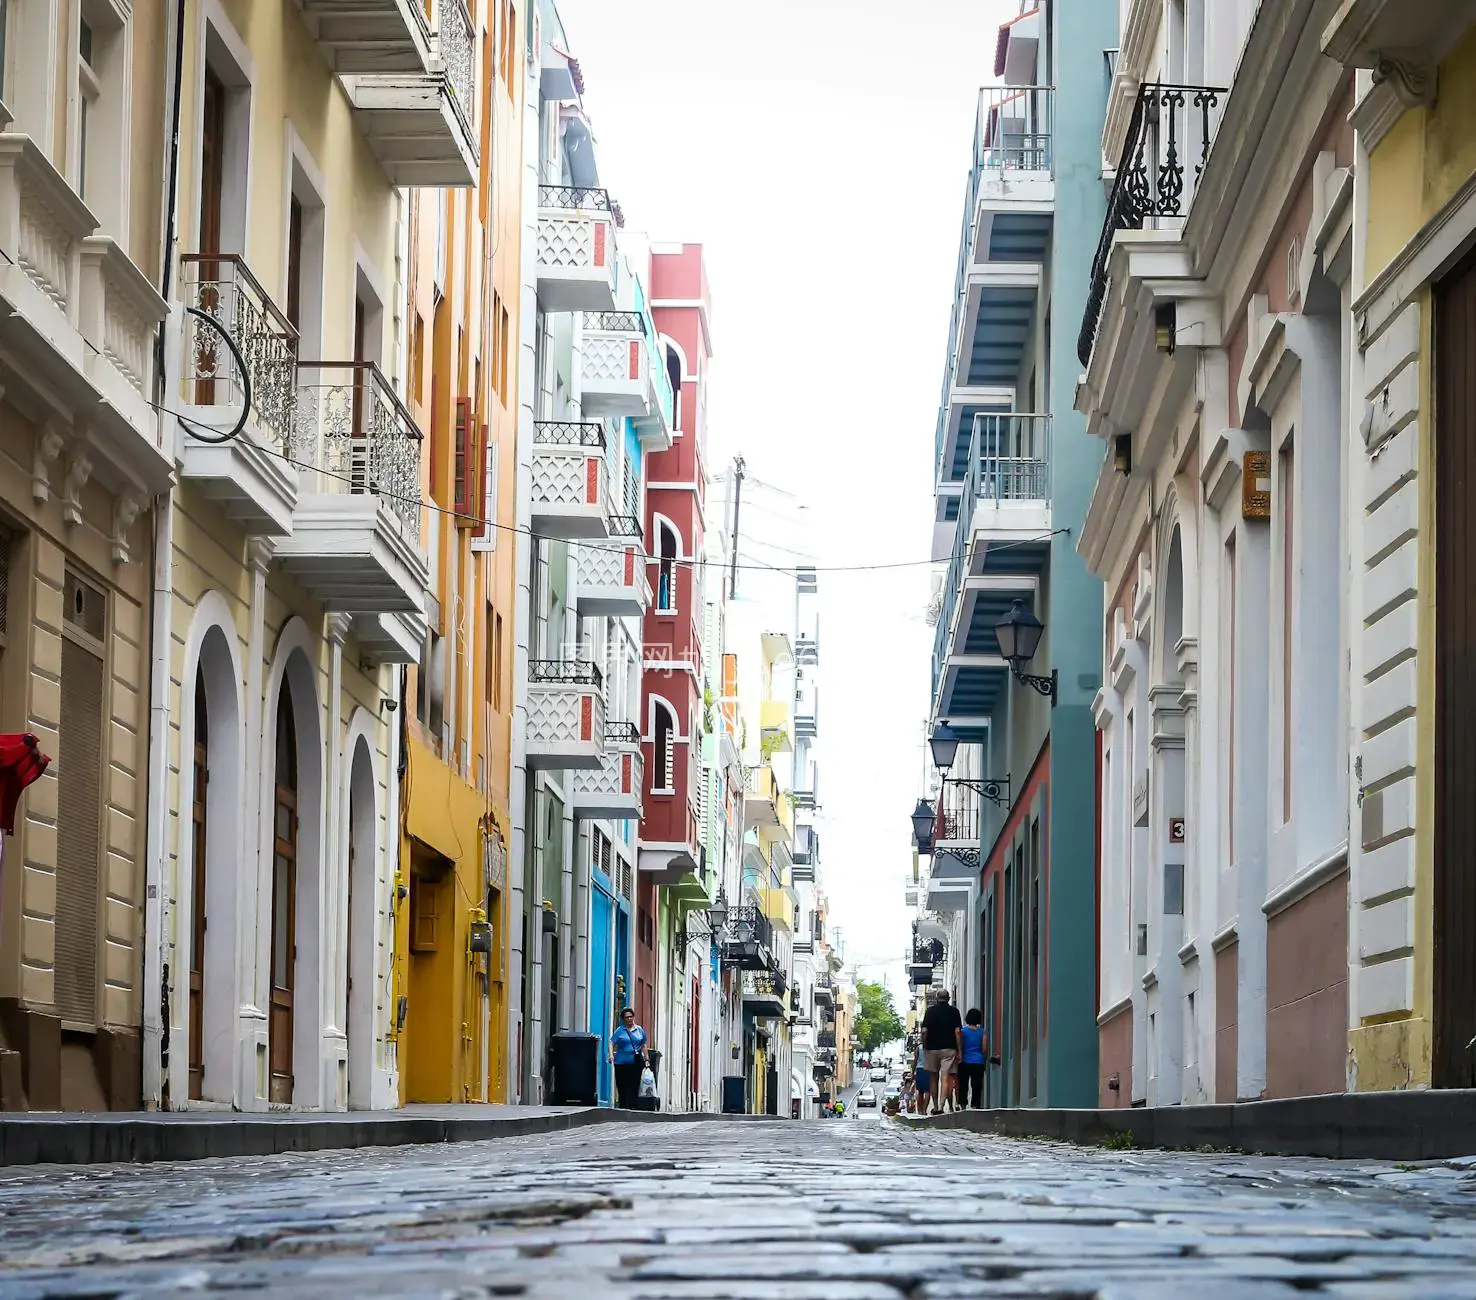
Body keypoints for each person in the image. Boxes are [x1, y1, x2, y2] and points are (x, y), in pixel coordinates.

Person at [920, 988, 963, 1115]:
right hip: (949, 1049)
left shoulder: (930, 1011)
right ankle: (941, 1107)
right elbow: (957, 1032)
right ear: (948, 998)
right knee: (945, 1077)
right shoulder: (954, 1011)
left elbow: (924, 1031)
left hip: (932, 1048)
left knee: (933, 1076)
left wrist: (924, 1044)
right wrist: (959, 1049)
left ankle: (935, 1104)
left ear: (936, 998)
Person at [609, 1006, 648, 1108]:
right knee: (622, 1084)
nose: (629, 1019)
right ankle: (623, 1104)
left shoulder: (639, 1030)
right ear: (623, 1019)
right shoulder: (620, 1030)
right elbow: (611, 1042)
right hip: (621, 1062)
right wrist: (611, 1055)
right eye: (626, 1017)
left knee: (634, 1083)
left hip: (635, 1062)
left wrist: (646, 1058)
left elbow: (643, 1044)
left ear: (633, 1017)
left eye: (630, 1017)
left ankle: (632, 1105)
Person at [959, 1008, 988, 1109]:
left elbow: (960, 1046)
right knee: (976, 1085)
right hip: (978, 1061)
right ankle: (975, 1106)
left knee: (963, 1084)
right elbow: (984, 1049)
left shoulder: (962, 1031)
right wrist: (983, 1058)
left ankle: (963, 1105)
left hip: (965, 1061)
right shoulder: (982, 1032)